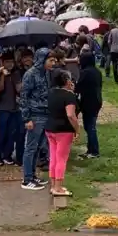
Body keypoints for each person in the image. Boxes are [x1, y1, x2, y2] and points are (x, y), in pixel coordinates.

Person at [21, 48, 54, 190]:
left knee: (38, 147)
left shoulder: (46, 73)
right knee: (31, 147)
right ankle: (27, 178)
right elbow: (24, 96)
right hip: (34, 115)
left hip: (44, 113)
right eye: (50, 60)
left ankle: (33, 175)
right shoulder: (30, 74)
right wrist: (26, 118)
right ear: (42, 59)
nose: (53, 63)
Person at [44, 69, 80, 197]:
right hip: (63, 130)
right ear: (66, 80)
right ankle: (58, 188)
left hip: (50, 128)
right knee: (61, 159)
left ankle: (53, 185)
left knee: (53, 157)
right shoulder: (69, 96)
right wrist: (77, 129)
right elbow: (71, 115)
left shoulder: (51, 93)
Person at [0, 52, 23, 166]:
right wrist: (2, 75)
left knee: (12, 133)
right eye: (7, 62)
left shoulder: (16, 73)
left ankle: (7, 154)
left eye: (11, 62)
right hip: (2, 108)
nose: (10, 64)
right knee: (2, 132)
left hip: (14, 107)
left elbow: (19, 89)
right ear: (2, 62)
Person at [75, 52, 102, 158]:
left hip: (88, 102)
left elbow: (78, 88)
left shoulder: (85, 72)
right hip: (97, 100)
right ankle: (90, 149)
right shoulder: (97, 71)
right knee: (90, 126)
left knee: (90, 127)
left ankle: (94, 151)